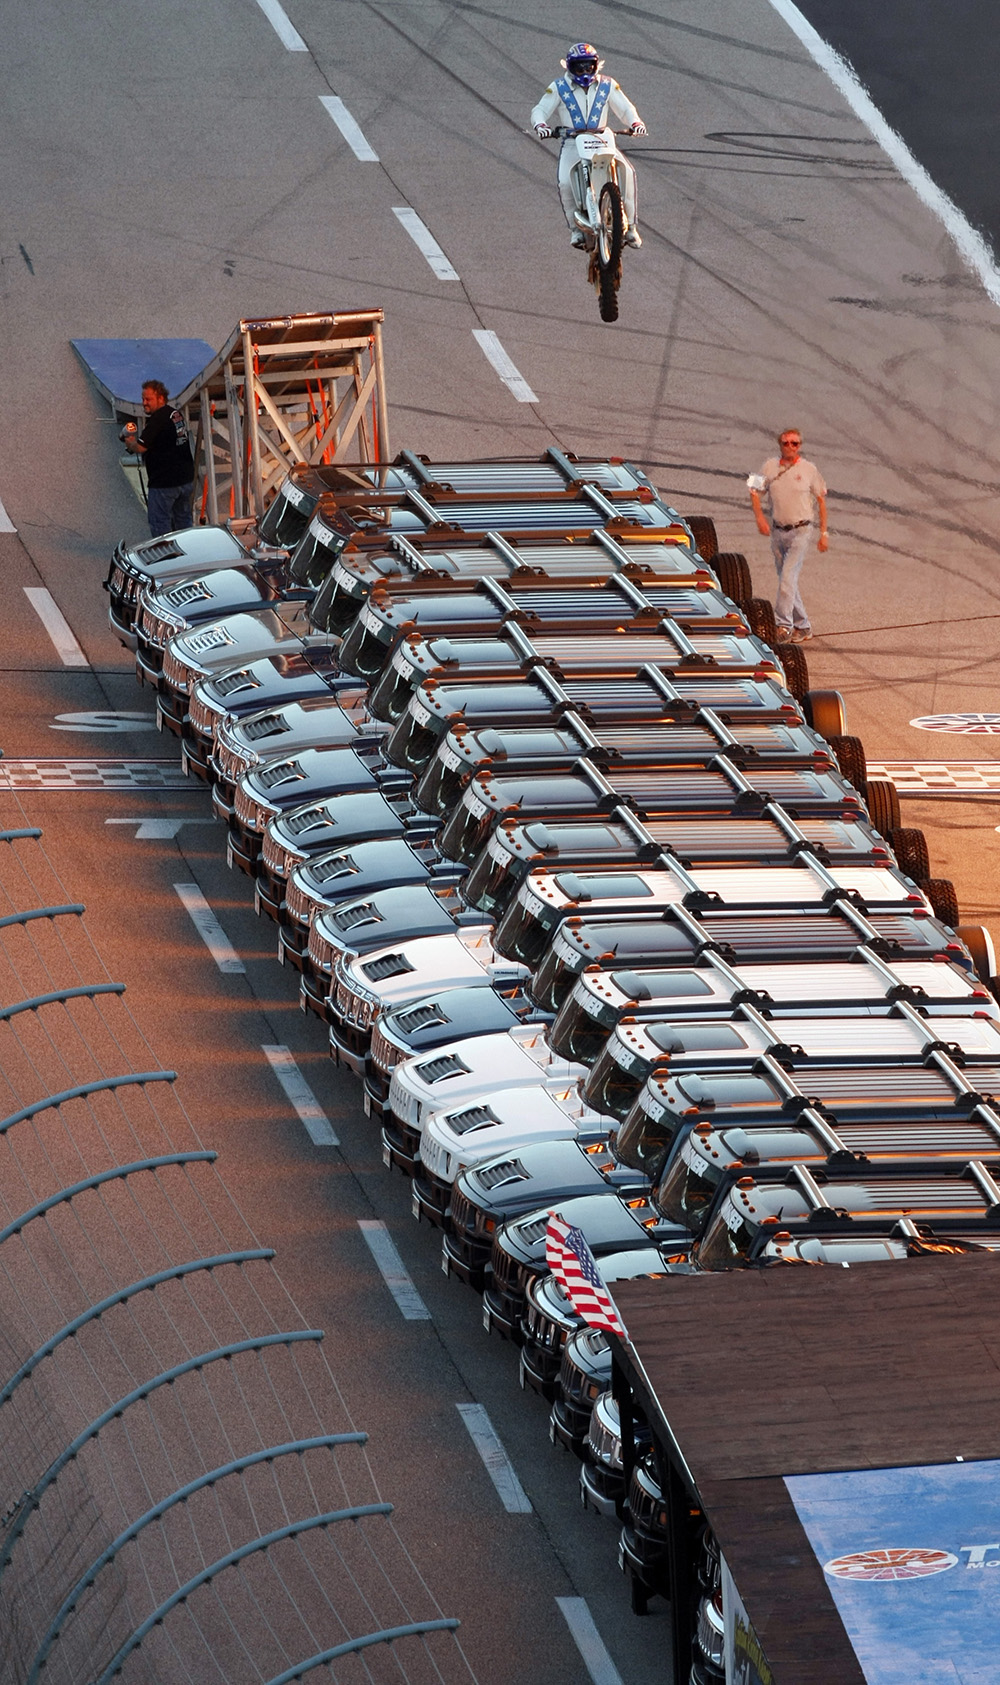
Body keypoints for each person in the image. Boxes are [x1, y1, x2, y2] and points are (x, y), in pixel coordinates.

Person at [531, 43, 647, 249]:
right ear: (569, 67)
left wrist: (635, 123)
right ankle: (575, 230)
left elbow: (626, 108)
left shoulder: (608, 85)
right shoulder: (558, 87)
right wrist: (541, 125)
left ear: (596, 65)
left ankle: (631, 227)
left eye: (589, 66)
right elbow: (540, 109)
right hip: (572, 142)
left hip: (603, 138)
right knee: (565, 182)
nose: (584, 72)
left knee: (628, 172)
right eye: (579, 67)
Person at [747, 428, 828, 644]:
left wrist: (824, 533)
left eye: (794, 443)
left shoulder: (809, 469)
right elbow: (753, 490)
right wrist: (760, 519)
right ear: (780, 445)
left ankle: (783, 625)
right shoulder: (769, 466)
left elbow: (821, 500)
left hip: (801, 531)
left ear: (800, 445)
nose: (790, 447)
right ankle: (803, 626)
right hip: (777, 530)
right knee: (787, 581)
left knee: (786, 580)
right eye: (785, 443)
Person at [122, 380, 195, 537]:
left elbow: (141, 447)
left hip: (164, 483)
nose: (144, 403)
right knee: (183, 522)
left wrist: (129, 443)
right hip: (185, 480)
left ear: (161, 398)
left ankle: (164, 558)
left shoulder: (158, 419)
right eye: (143, 399)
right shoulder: (176, 414)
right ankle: (188, 556)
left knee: (159, 523)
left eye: (148, 399)